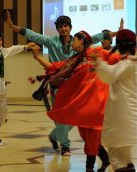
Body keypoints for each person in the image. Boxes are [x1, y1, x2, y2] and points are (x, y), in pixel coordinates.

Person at [6, 11, 117, 156]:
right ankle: (65, 145)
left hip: (77, 85)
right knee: (61, 114)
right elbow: (33, 35)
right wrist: (13, 26)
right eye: (60, 27)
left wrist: (119, 33)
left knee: (77, 114)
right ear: (57, 29)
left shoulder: (78, 41)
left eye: (66, 26)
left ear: (70, 27)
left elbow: (98, 36)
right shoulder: (52, 42)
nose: (63, 29)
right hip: (58, 85)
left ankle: (55, 134)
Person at [29, 30, 123, 172]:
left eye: (75, 40)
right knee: (85, 134)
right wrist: (37, 57)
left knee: (91, 134)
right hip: (82, 103)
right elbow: (54, 67)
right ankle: (105, 158)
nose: (72, 42)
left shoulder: (95, 51)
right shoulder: (74, 59)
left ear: (81, 41)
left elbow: (114, 58)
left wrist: (128, 58)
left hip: (96, 102)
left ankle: (89, 167)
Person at [91, 29, 137, 172]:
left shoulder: (127, 64)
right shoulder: (132, 62)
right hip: (131, 116)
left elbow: (110, 75)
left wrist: (97, 62)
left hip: (121, 115)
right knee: (126, 154)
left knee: (117, 155)